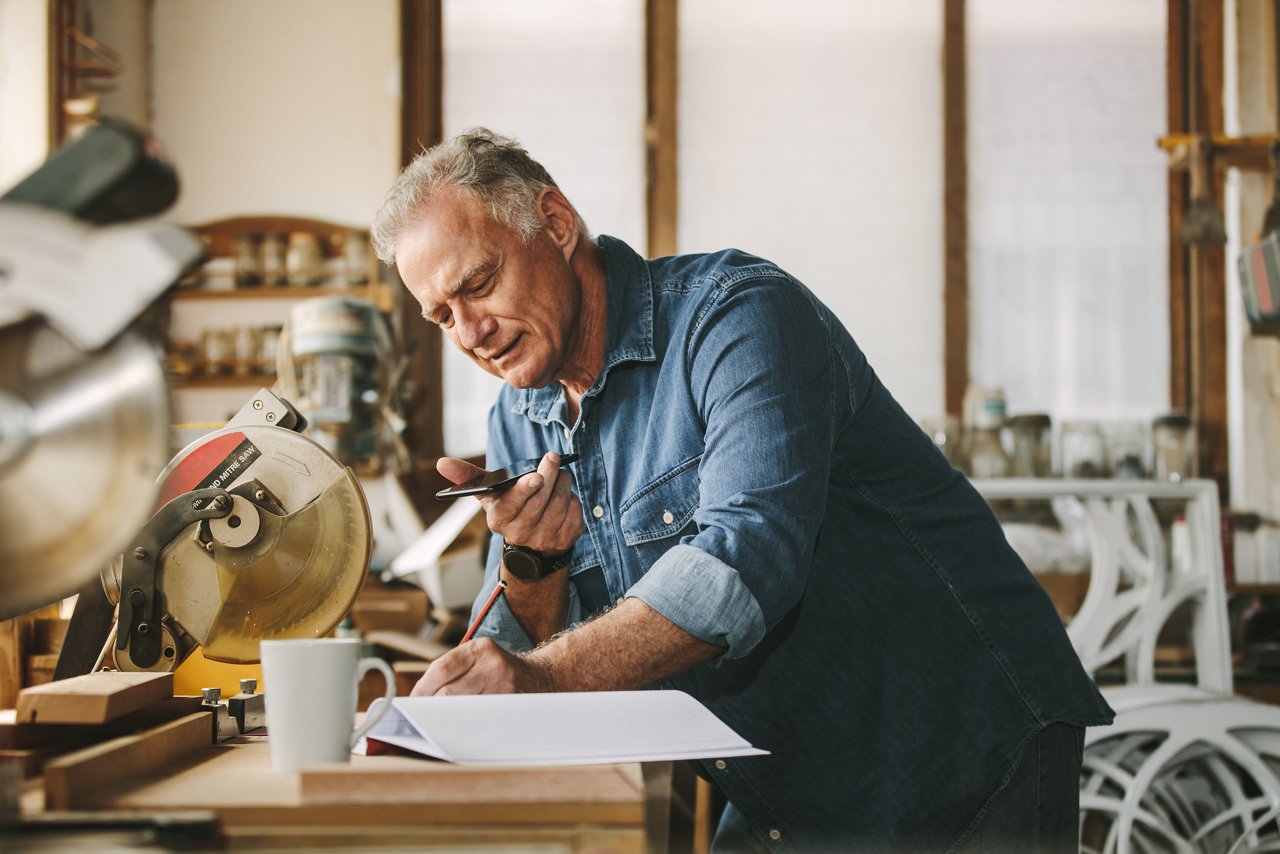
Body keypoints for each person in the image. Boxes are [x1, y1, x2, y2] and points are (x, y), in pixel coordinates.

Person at [371, 127, 1113, 853]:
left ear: (556, 224)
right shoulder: (519, 414)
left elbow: (747, 560)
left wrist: (539, 678)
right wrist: (533, 566)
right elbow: (532, 641)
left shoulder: (738, 317)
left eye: (478, 283)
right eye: (441, 315)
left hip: (955, 742)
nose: (468, 331)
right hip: (786, 778)